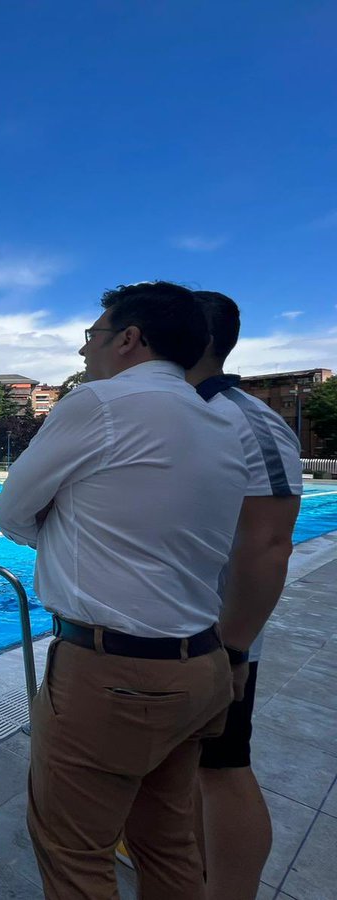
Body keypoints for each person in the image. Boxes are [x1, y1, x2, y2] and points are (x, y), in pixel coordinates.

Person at [0, 282, 249, 899]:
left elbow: (11, 512)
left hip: (114, 676)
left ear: (129, 339)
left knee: (75, 854)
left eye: (92, 337)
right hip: (201, 668)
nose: (85, 354)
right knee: (169, 849)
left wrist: (59, 530)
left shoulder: (99, 405)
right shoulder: (224, 423)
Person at [186, 291, 303, 900]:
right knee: (186, 772)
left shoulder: (246, 419)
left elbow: (269, 544)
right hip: (159, 633)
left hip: (213, 638)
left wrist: (231, 649)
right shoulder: (166, 411)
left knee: (222, 769)